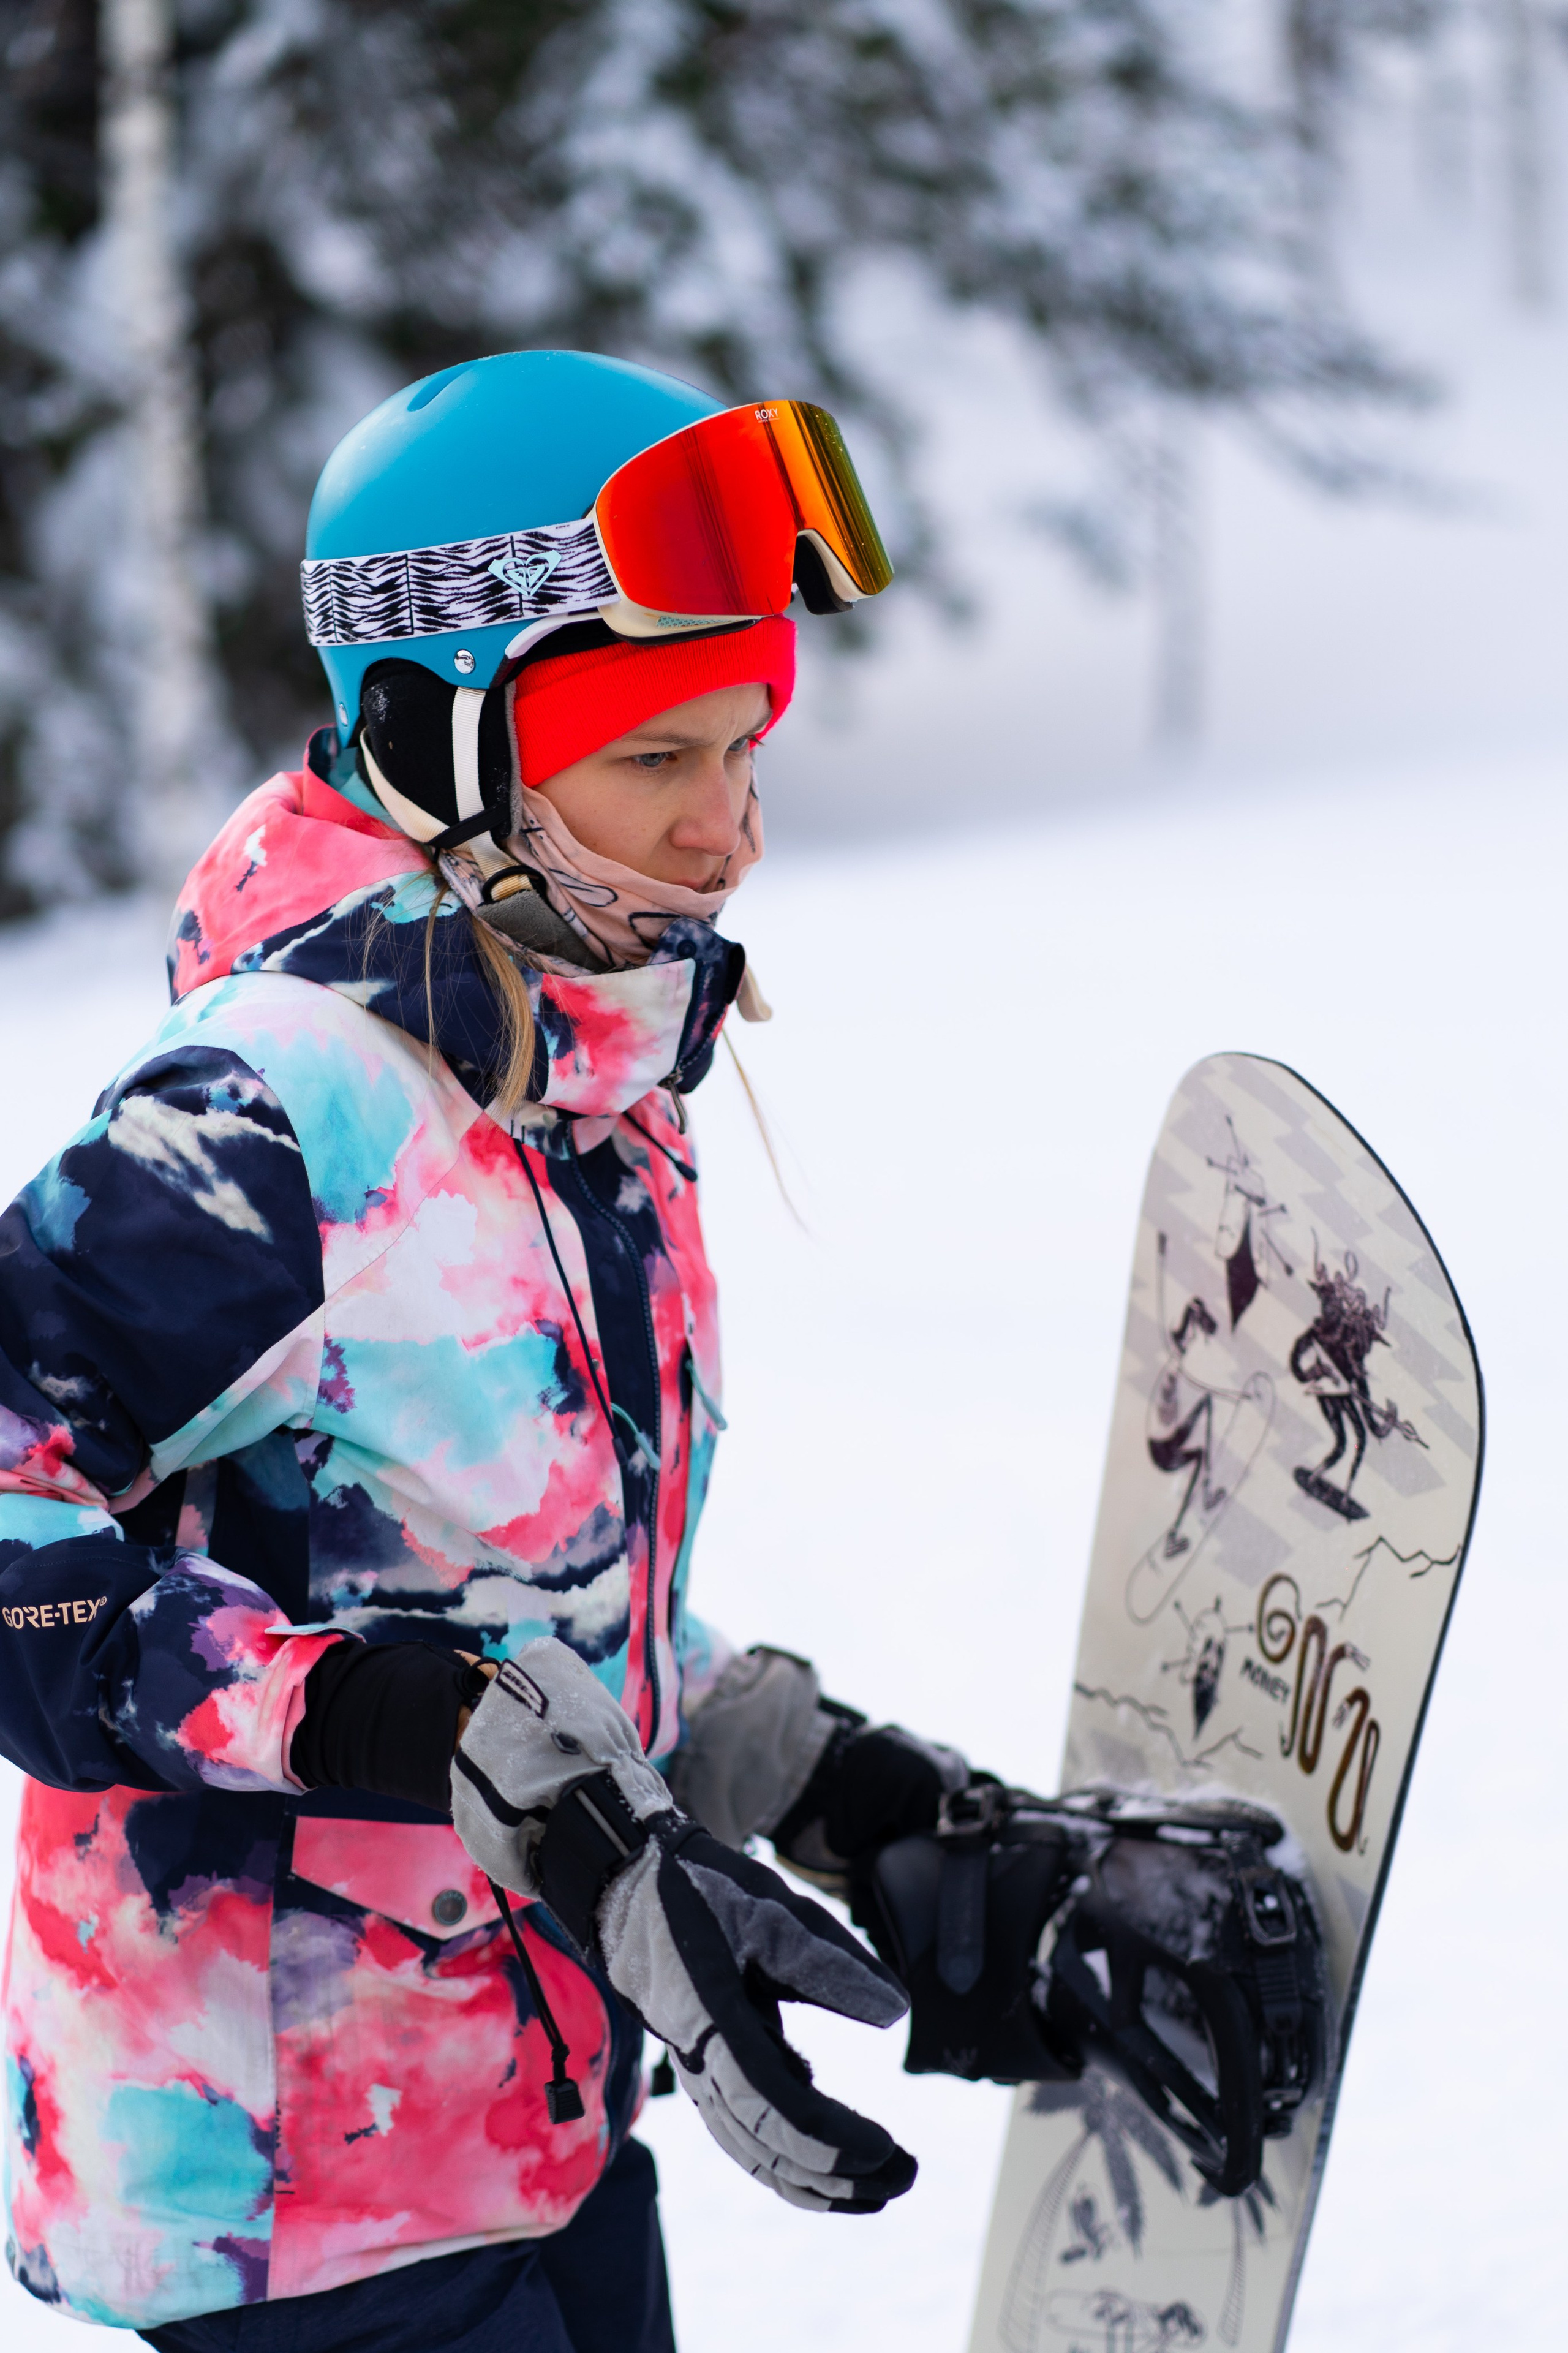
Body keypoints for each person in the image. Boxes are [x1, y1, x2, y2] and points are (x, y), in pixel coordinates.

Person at [0, 352, 979, 2352]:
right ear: (434, 738)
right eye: (656, 763)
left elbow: (521, 1592)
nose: (731, 833)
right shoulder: (277, 1119)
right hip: (299, 2201)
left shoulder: (576, 1072)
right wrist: (378, 1720)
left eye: (744, 750)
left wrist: (832, 1783)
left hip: (532, 2106)